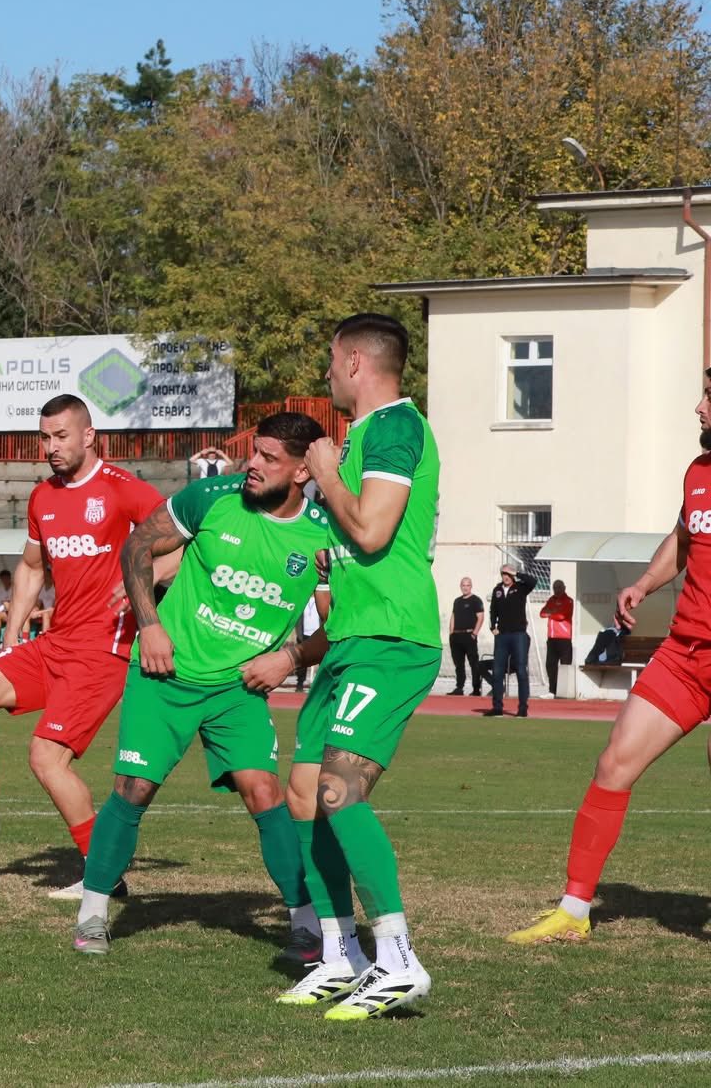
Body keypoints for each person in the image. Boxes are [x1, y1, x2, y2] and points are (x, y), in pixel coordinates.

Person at [69, 412, 331, 961]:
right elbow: (138, 547)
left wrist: (288, 657)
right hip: (165, 674)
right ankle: (92, 914)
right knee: (133, 789)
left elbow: (337, 629)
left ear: (304, 470)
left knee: (265, 791)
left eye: (268, 458)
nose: (251, 465)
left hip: (238, 688)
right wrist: (152, 626)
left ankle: (306, 924)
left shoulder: (325, 535)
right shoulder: (211, 497)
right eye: (253, 452)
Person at [0, 396, 163, 898]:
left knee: (46, 757)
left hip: (103, 651)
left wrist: (146, 581)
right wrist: (10, 633)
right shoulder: (43, 496)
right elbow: (31, 567)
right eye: (44, 437)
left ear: (89, 436)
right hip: (55, 642)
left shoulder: (121, 489)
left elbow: (185, 536)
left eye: (61, 436)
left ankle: (104, 874)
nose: (50, 447)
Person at [509, 372, 711, 947]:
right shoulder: (698, 473)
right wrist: (644, 584)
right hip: (684, 654)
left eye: (709, 397)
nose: (697, 408)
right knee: (614, 763)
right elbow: (683, 537)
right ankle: (574, 911)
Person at [280, 312, 441, 1020]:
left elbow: (373, 526)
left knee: (342, 789)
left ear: (353, 361)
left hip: (390, 638)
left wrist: (323, 474)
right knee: (308, 792)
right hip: (349, 638)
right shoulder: (360, 440)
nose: (325, 375)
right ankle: (342, 954)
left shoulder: (397, 427)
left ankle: (398, 958)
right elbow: (359, 537)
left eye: (329, 361)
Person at [487, 563, 539, 717]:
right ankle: (497, 707)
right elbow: (492, 611)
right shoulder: (497, 590)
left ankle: (522, 708)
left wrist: (517, 573)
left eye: (508, 574)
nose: (506, 577)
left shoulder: (521, 587)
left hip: (519, 635)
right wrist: (492, 627)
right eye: (504, 574)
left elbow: (533, 582)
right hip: (502, 636)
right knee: (497, 671)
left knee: (521, 671)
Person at [448, 577, 486, 697]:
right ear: (460, 586)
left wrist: (474, 633)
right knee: (459, 664)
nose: (465, 587)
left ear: (471, 586)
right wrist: (451, 633)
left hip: (469, 636)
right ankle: (459, 687)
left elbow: (481, 617)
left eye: (467, 585)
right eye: (463, 585)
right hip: (456, 636)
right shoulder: (457, 601)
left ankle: (476, 689)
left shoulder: (476, 600)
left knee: (474, 664)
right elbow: (453, 616)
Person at [541, 579, 576, 698]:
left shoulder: (568, 601)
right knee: (550, 665)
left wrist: (551, 613)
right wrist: (552, 612)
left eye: (559, 587)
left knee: (565, 665)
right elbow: (542, 613)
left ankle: (565, 692)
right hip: (551, 638)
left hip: (564, 638)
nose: (557, 590)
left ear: (564, 588)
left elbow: (562, 616)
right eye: (555, 588)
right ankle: (552, 690)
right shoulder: (551, 600)